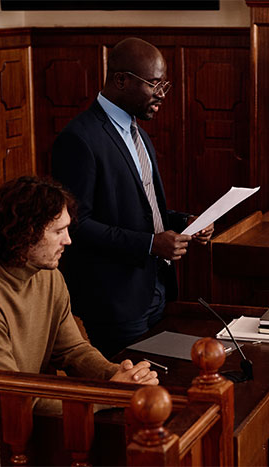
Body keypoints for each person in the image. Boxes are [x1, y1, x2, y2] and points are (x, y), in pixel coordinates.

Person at [0, 176, 158, 464]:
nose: (68, 240)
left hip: (19, 430)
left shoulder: (49, 276)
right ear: (25, 233)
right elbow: (14, 400)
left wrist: (117, 374)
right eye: (58, 231)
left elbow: (73, 350)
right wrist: (109, 394)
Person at [51, 37, 213, 357]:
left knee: (161, 383)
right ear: (121, 80)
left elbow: (144, 209)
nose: (162, 95)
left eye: (163, 84)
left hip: (157, 286)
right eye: (154, 84)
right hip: (116, 301)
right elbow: (75, 225)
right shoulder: (78, 139)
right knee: (132, 393)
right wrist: (150, 244)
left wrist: (185, 222)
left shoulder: (136, 131)